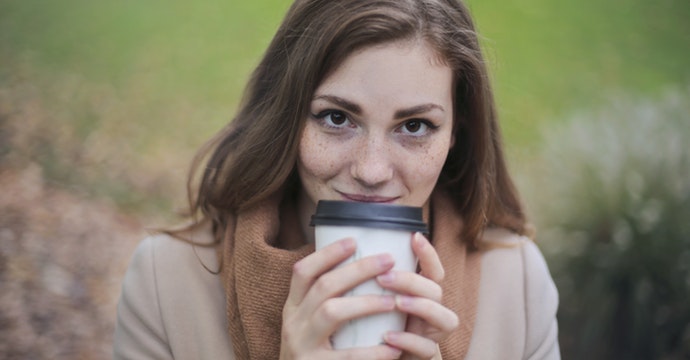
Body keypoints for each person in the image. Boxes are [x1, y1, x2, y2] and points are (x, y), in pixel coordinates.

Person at [113, 0, 560, 359]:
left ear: (456, 134)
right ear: (287, 116)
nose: (371, 170)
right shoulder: (168, 280)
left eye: (415, 126)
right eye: (336, 117)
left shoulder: (517, 285)